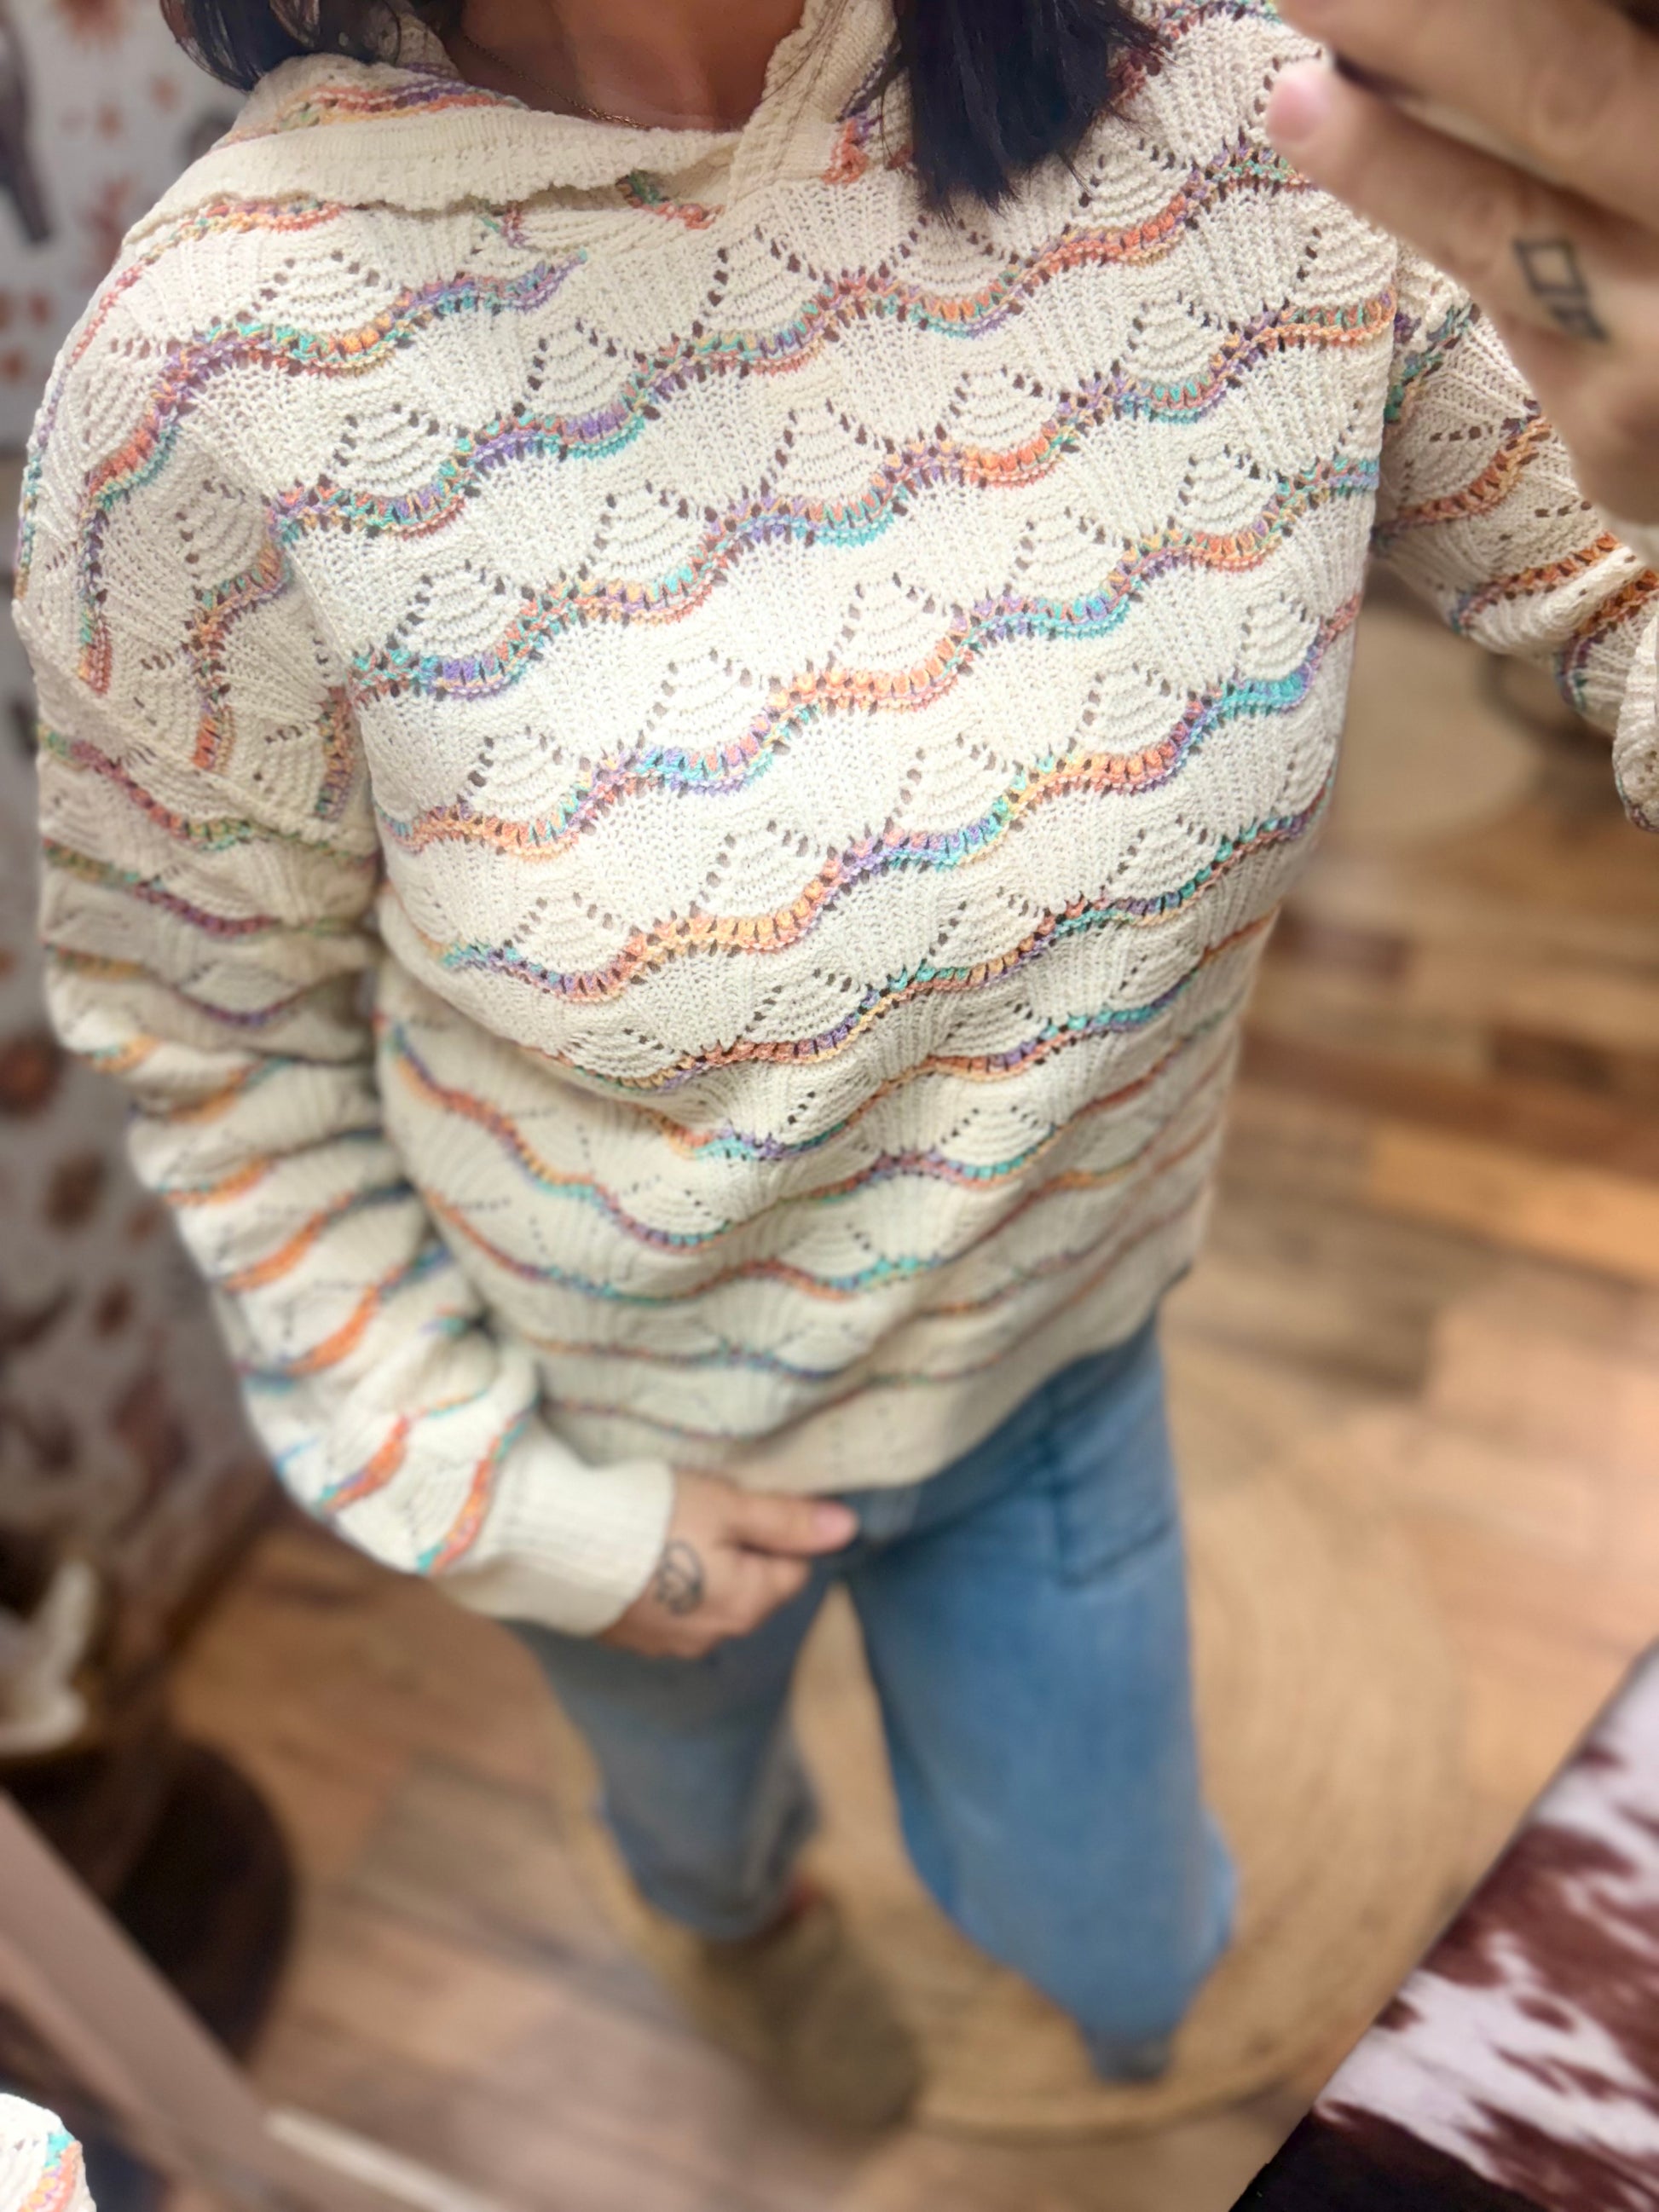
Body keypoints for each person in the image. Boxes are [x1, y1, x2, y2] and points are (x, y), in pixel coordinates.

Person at [14, 0, 1656, 2133]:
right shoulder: (209, 383)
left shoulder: (1253, 111)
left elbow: (1613, 586)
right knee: (696, 1837)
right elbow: (213, 1045)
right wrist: (515, 1504)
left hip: (1052, 1359)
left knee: (1127, 1935)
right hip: (600, 1423)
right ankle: (742, 1911)